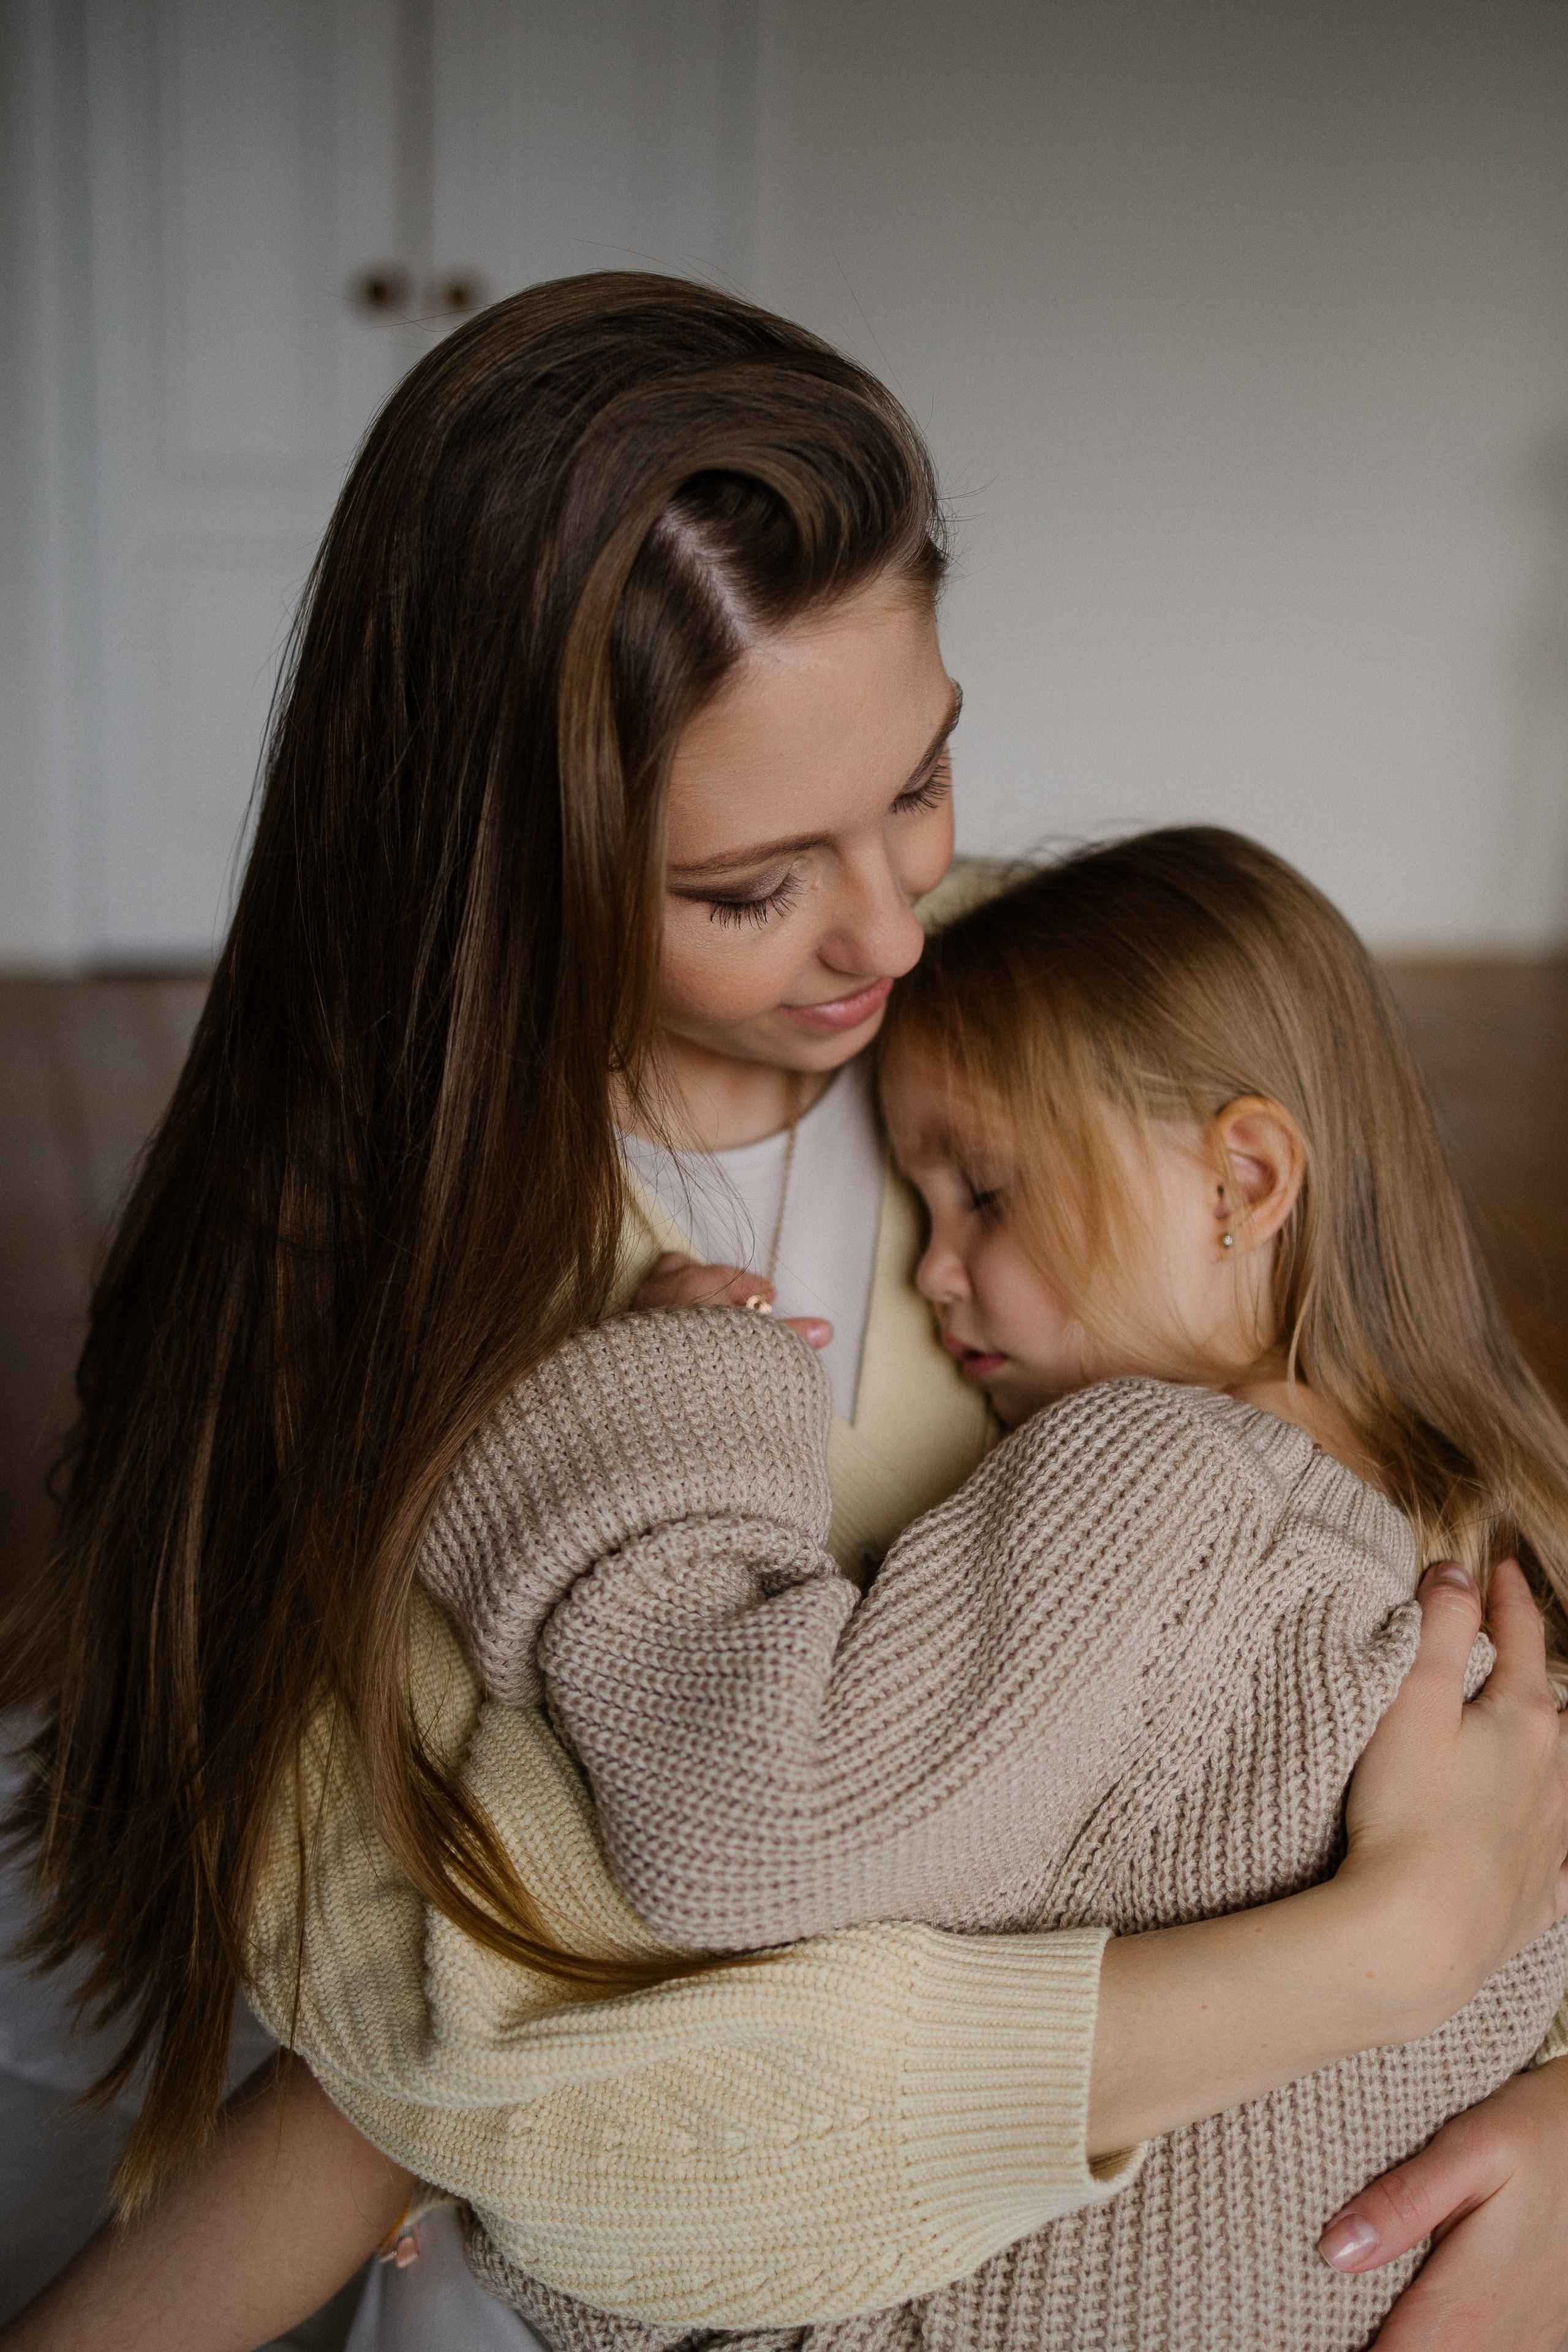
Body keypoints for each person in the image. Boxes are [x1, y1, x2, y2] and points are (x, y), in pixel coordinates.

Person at [4, 276, 1568, 2352]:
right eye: (753, 887)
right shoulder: (359, 1286)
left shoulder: (1056, 1029)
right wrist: (1376, 1964)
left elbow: (1440, 1523)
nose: (891, 933)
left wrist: (1549, 2094)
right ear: (506, 857)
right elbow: (538, 2090)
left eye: (922, 781)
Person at [380, 826, 1568, 2348]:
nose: (931, 1271)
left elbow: (751, 1814)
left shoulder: (1163, 1476)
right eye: (920, 1205)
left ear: (1242, 1179)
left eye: (984, 1195)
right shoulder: (1490, 1574)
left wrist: (664, 1407)